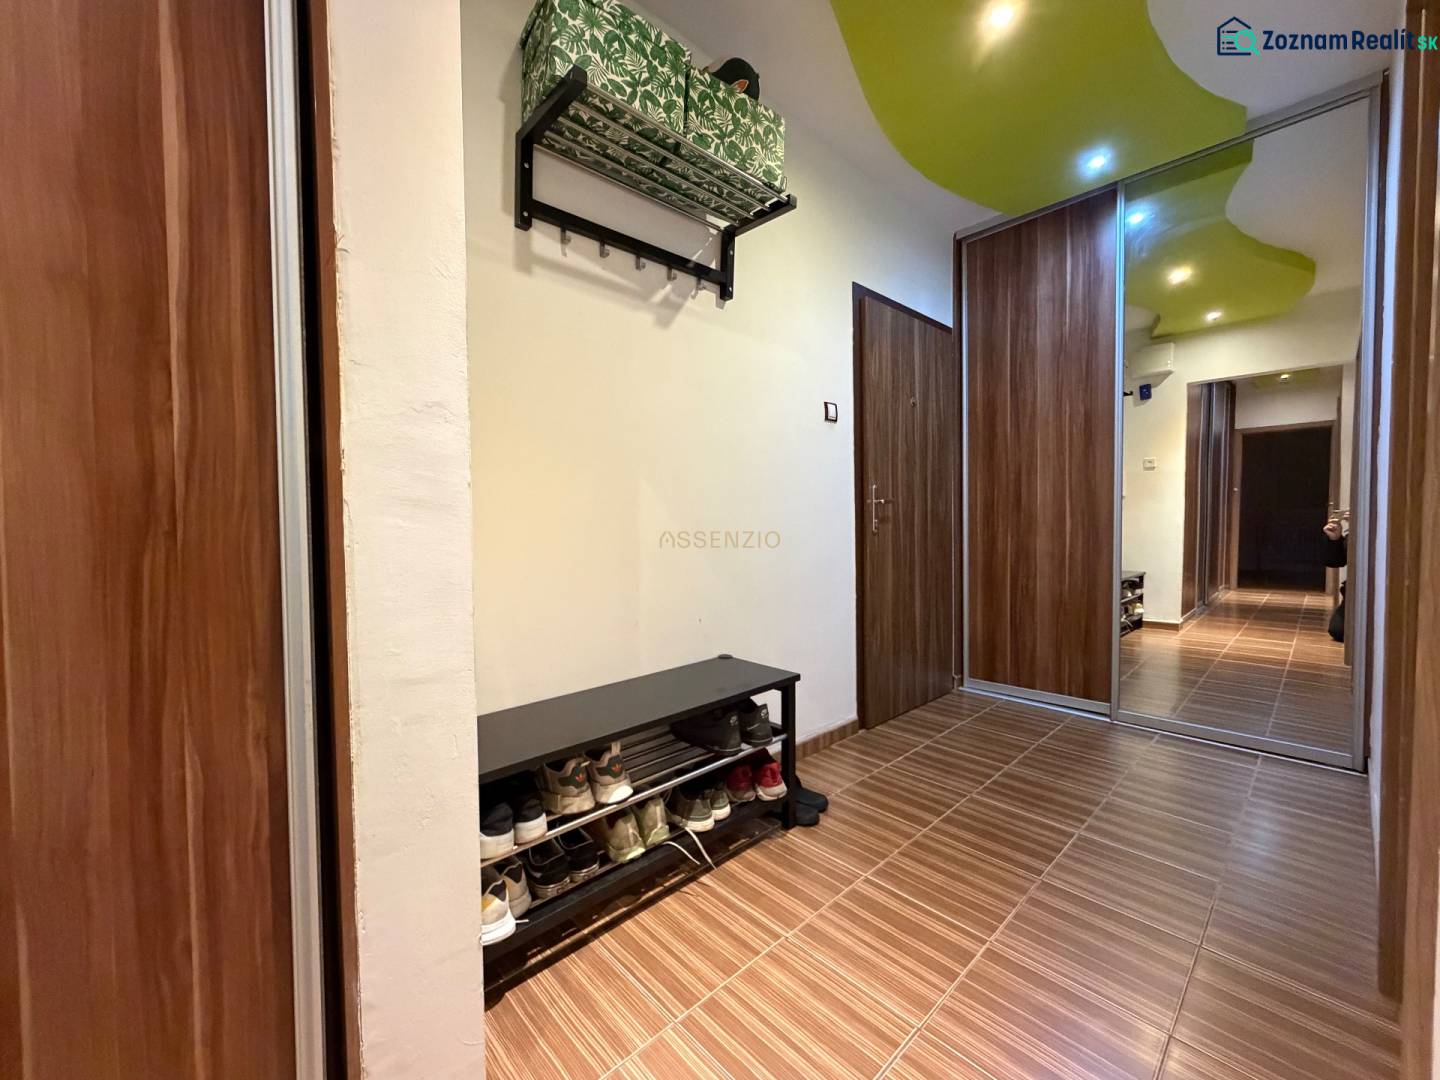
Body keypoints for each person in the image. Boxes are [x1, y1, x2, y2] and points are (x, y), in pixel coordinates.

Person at [1322, 516, 1348, 642]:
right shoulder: (1354, 533)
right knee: (1337, 630)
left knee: (1341, 629)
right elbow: (1335, 562)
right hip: (1352, 592)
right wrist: (1335, 539)